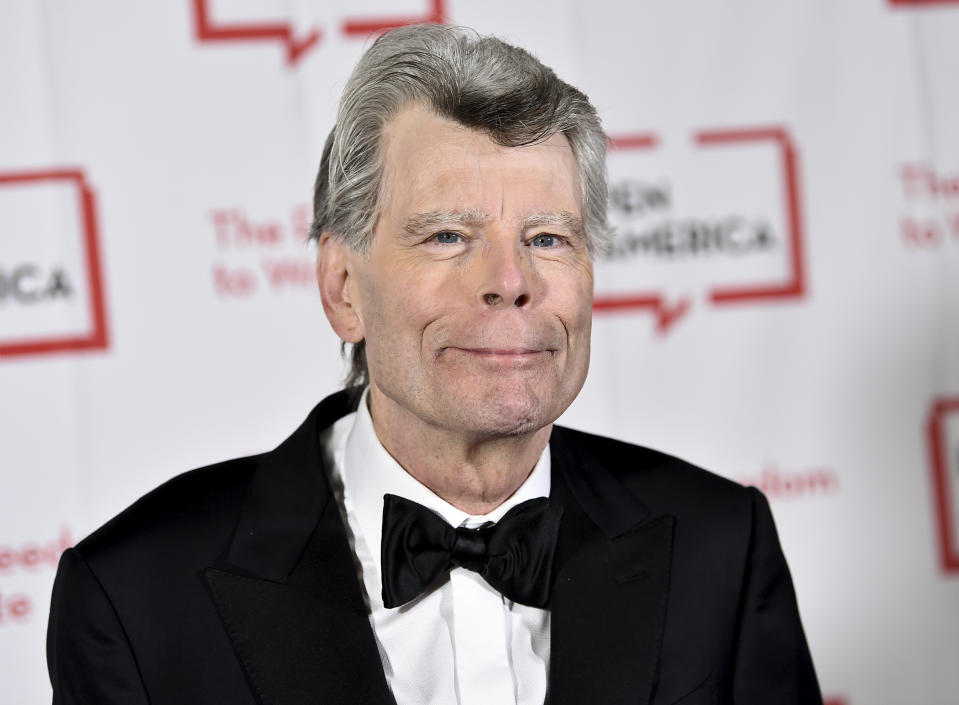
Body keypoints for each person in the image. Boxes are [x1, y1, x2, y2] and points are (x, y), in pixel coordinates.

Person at [47, 23, 822, 705]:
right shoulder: (135, 597)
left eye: (548, 237)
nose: (510, 281)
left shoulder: (719, 545)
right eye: (447, 235)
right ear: (342, 288)